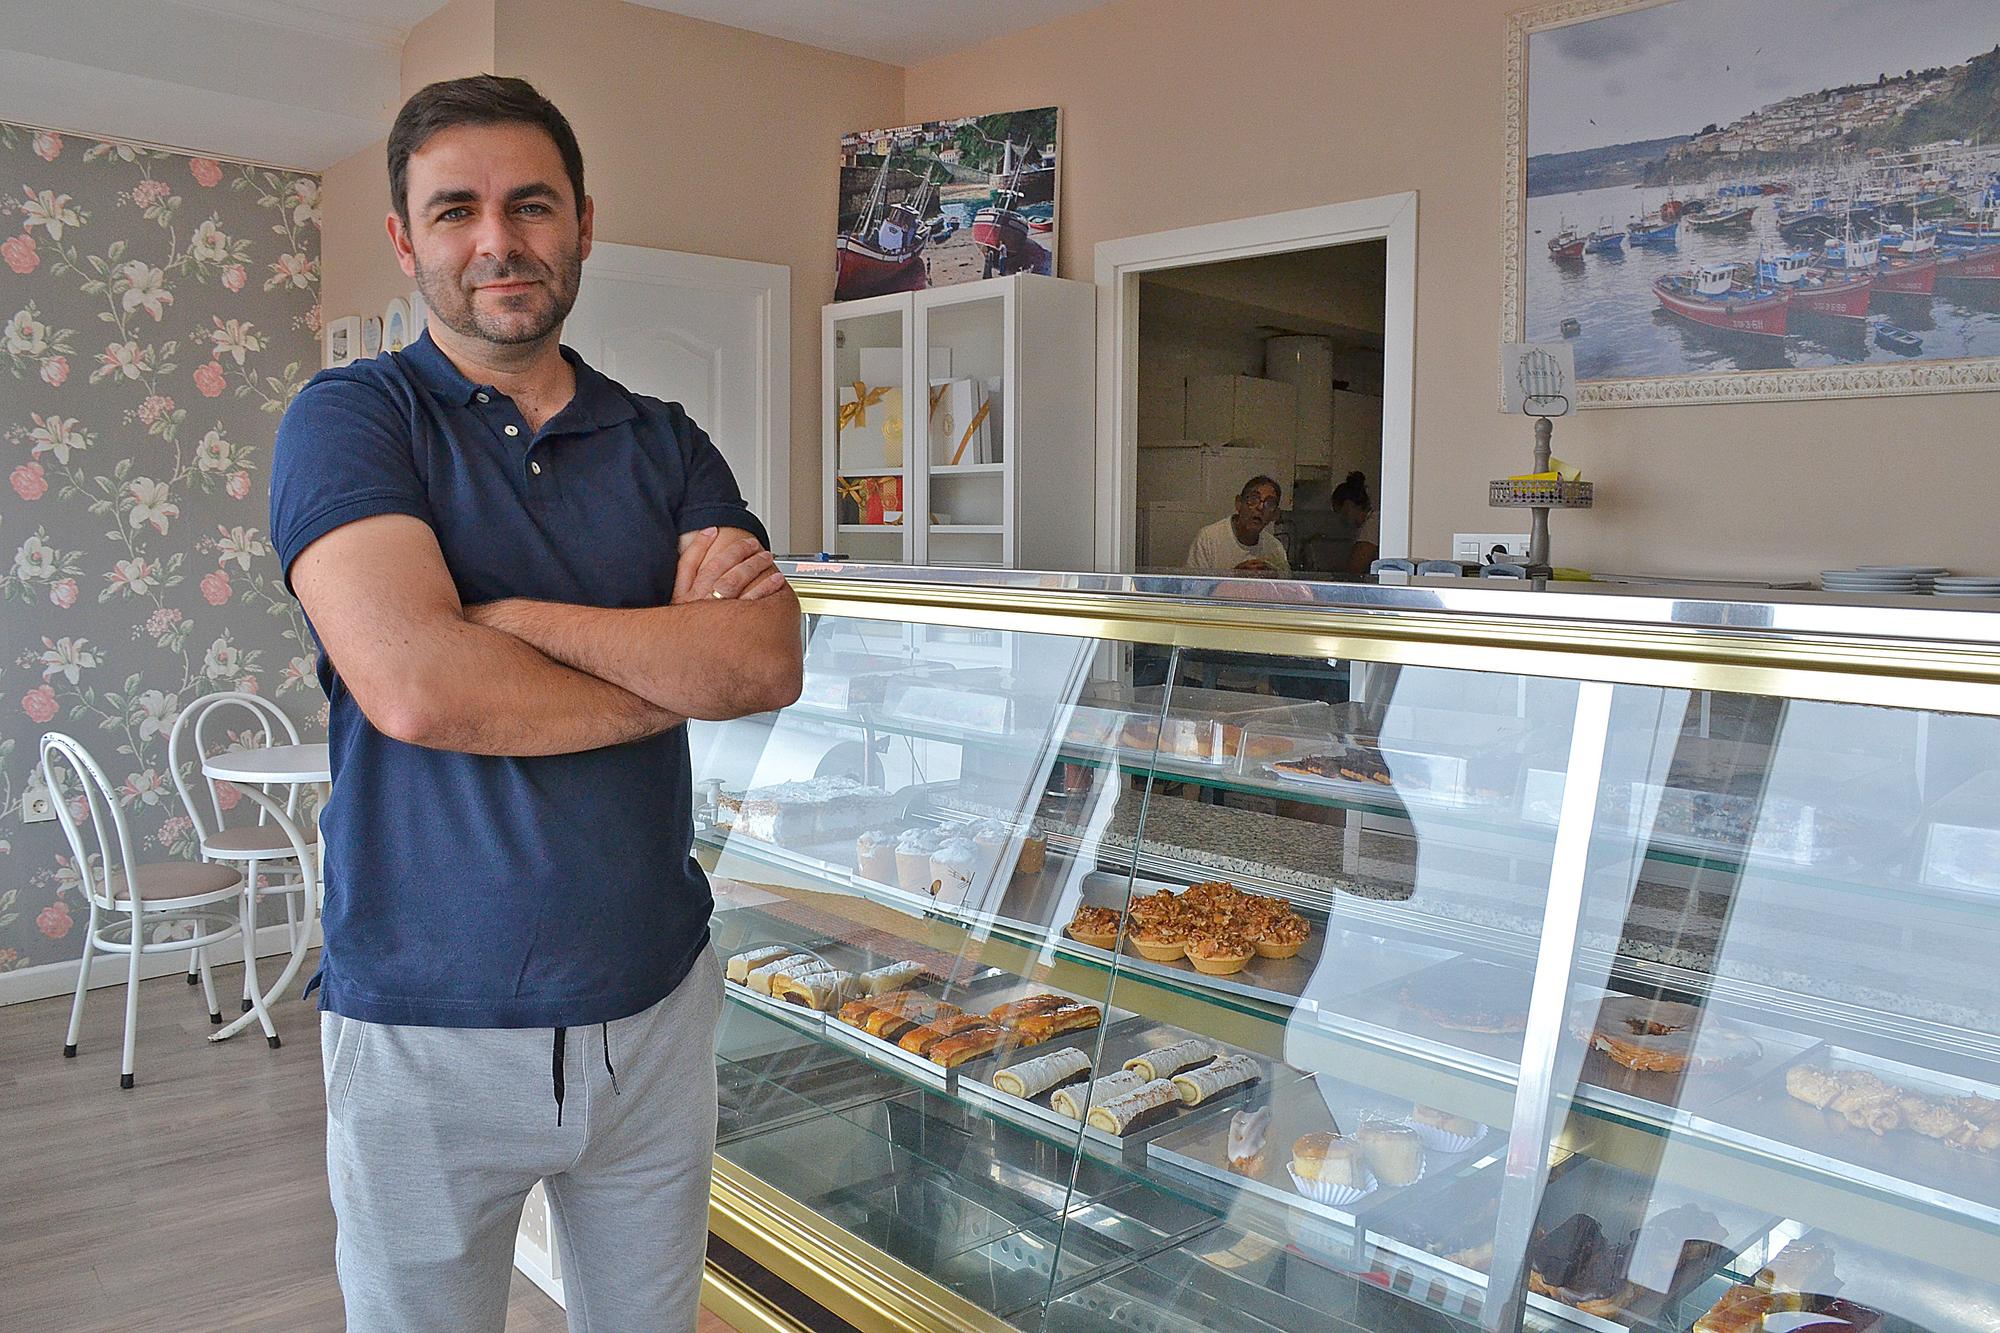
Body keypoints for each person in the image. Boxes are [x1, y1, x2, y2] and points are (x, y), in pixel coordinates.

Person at [269, 75, 802, 1333]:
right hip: (426, 1018)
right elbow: (416, 687)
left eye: (531, 204)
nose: (497, 239)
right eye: (455, 210)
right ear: (406, 241)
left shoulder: (663, 440)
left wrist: (515, 626)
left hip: (656, 1005)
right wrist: (665, 668)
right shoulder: (353, 419)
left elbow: (763, 665)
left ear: (582, 223)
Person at [1185, 475, 1290, 576]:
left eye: (1269, 503)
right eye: (1253, 499)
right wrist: (1233, 576)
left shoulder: (1275, 548)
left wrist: (1272, 576)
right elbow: (1192, 588)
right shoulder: (1208, 539)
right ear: (1239, 503)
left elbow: (1287, 589)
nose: (1260, 507)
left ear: (1275, 514)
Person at [1298, 470, 1379, 576]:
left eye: (1340, 513)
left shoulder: (1371, 526)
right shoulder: (1373, 520)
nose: (1341, 519)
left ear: (1348, 506)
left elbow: (1354, 570)